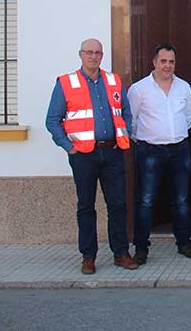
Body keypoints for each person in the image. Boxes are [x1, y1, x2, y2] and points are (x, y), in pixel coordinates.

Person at [45, 38, 138, 274]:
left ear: (102, 55)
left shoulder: (113, 81)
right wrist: (68, 146)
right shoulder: (66, 83)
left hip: (112, 152)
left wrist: (121, 137)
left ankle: (121, 253)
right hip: (83, 156)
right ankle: (88, 256)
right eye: (89, 52)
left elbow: (125, 112)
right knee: (86, 206)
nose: (93, 56)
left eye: (97, 52)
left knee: (118, 204)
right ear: (80, 54)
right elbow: (52, 120)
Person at [128, 43, 191, 263]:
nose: (167, 65)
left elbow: (189, 118)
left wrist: (172, 135)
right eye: (163, 61)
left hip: (179, 149)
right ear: (154, 62)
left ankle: (184, 243)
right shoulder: (139, 89)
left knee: (181, 200)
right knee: (146, 200)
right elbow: (132, 121)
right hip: (150, 150)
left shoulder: (184, 87)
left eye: (171, 61)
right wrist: (150, 139)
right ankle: (141, 249)